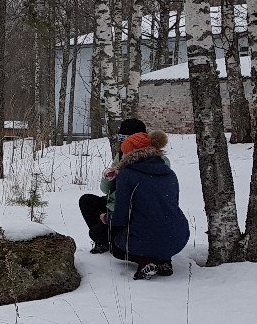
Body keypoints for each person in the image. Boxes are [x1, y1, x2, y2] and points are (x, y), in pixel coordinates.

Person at [101, 131, 190, 280]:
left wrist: (107, 218)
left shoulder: (127, 175)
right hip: (178, 237)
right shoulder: (169, 173)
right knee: (157, 232)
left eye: (124, 153)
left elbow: (121, 217)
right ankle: (164, 261)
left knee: (116, 246)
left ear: (129, 154)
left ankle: (145, 262)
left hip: (144, 237)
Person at [79, 117, 151, 254]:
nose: (123, 145)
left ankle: (113, 238)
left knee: (99, 232)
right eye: (122, 140)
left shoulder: (155, 160)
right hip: (115, 205)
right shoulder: (121, 156)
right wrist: (108, 177)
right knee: (86, 200)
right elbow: (106, 190)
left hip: (133, 212)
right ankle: (103, 241)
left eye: (127, 140)